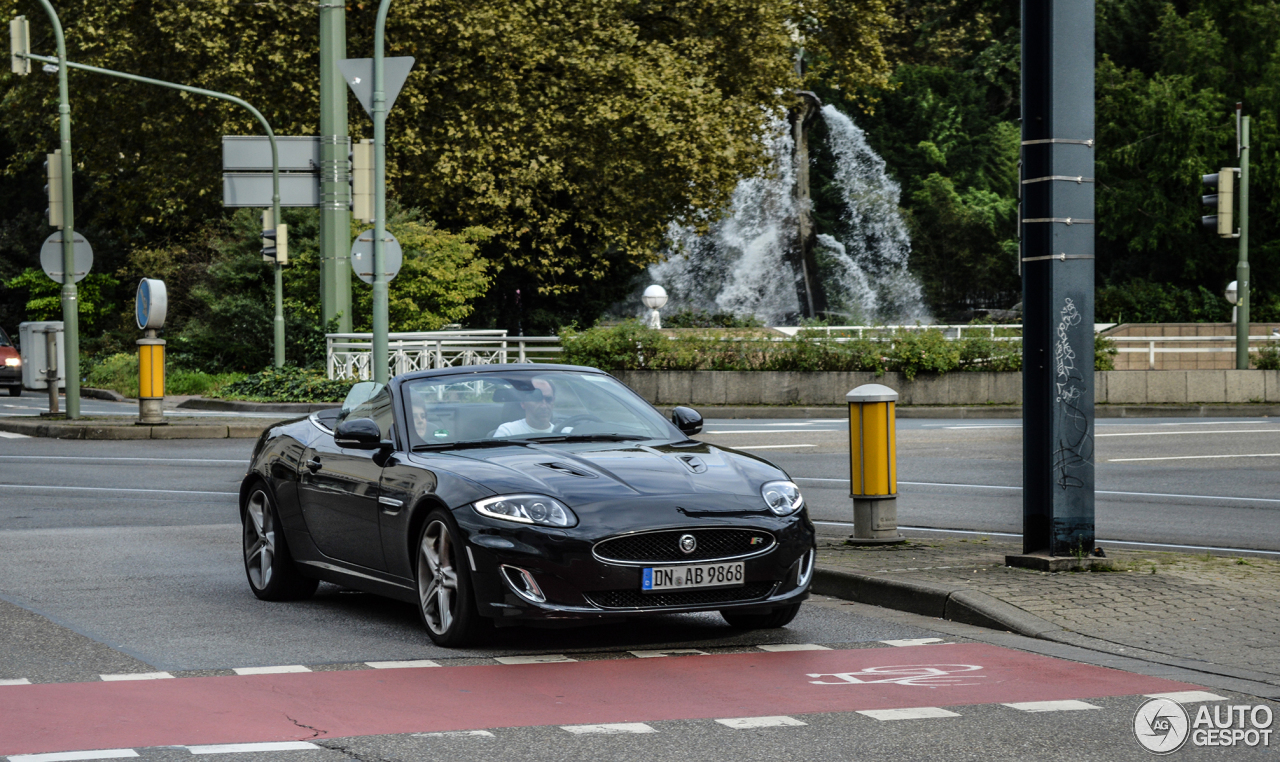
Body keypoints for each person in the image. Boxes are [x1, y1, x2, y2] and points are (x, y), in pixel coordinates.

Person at [493, 378, 567, 436]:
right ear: (523, 403)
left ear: (553, 401)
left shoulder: (566, 433)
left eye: (548, 399)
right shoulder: (508, 432)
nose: (544, 406)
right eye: (537, 398)